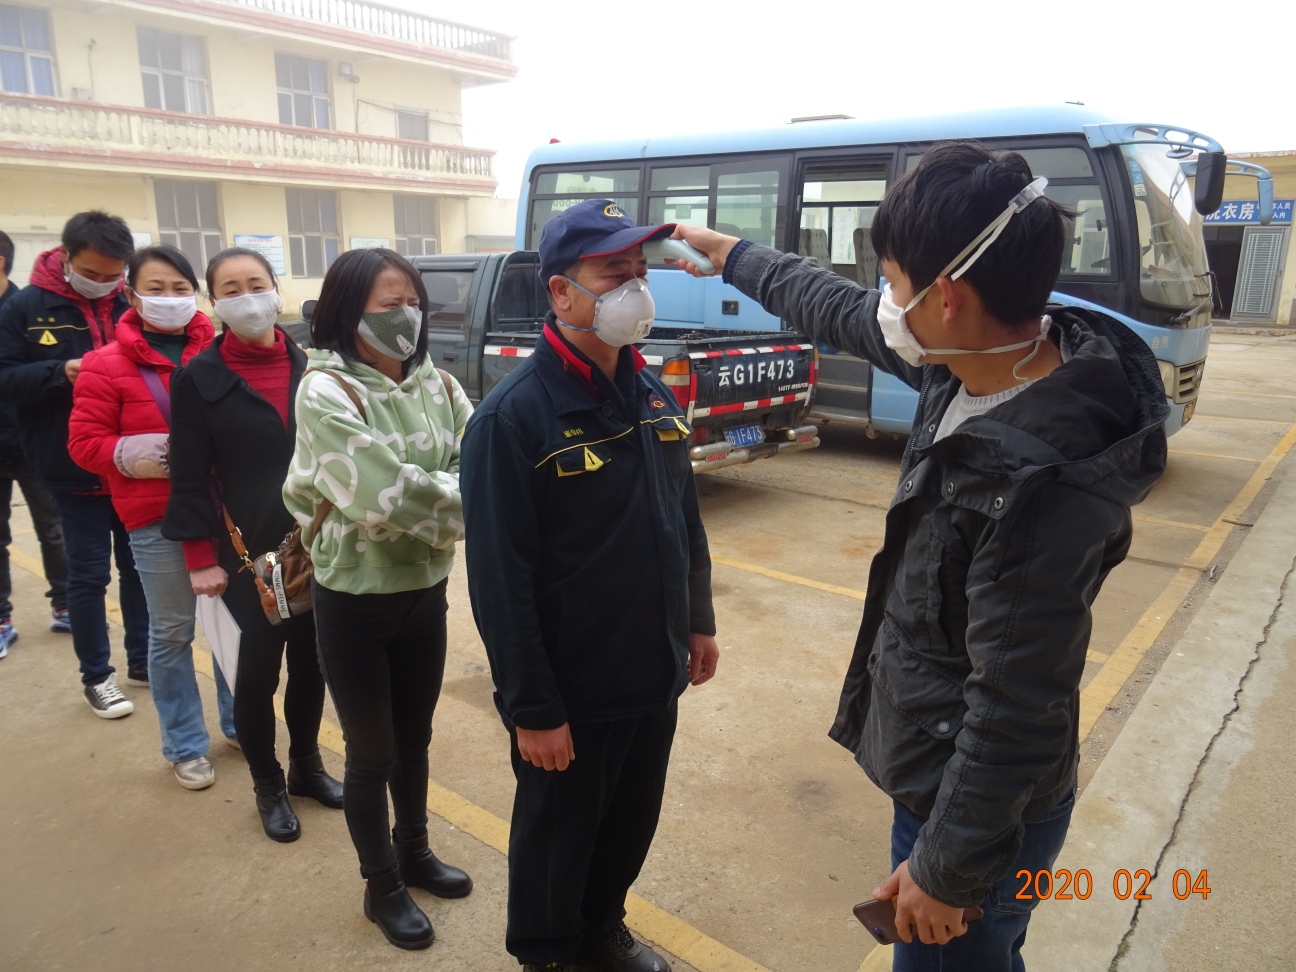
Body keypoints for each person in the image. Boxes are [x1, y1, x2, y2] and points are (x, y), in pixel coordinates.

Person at [667, 142, 1169, 972]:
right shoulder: (977, 357)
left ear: (948, 297)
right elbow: (835, 307)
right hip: (944, 775)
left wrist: (946, 870)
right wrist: (732, 256)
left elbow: (1017, 701)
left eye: (894, 282)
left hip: (971, 813)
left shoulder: (1040, 481)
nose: (884, 303)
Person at [460, 199, 721, 972]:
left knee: (627, 823)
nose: (634, 288)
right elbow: (500, 581)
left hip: (651, 668)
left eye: (639, 271)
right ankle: (548, 954)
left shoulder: (651, 391)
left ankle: (601, 928)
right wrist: (533, 707)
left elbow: (684, 515)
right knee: (559, 838)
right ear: (561, 292)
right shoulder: (512, 419)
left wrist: (697, 619)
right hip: (572, 688)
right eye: (614, 273)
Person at [283, 247, 473, 950]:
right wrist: (459, 498)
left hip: (426, 590)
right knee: (370, 753)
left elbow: (478, 460)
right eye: (389, 305)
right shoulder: (325, 391)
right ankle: (381, 884)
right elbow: (379, 494)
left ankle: (414, 850)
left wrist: (435, 493)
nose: (407, 316)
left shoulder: (441, 385)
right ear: (347, 312)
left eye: (413, 302)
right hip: (355, 599)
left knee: (415, 738)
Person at [162, 247, 342, 840]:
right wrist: (199, 559)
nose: (248, 298)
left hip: (317, 543)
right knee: (257, 676)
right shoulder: (197, 379)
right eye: (231, 289)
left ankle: (307, 768)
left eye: (256, 283)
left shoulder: (314, 366)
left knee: (312, 665)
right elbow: (190, 476)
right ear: (215, 302)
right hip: (245, 555)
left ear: (276, 289)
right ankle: (268, 785)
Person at [67, 244, 235, 790]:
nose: (169, 298)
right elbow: (84, 444)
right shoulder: (104, 364)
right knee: (172, 630)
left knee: (234, 624)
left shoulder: (223, 350)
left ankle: (239, 721)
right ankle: (185, 744)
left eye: (180, 289)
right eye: (155, 289)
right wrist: (158, 453)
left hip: (230, 513)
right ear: (131, 295)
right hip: (155, 518)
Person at [0, 212, 149, 717]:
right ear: (65, 256)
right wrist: (60, 371)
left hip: (134, 464)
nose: (104, 283)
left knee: (139, 569)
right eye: (92, 272)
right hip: (71, 465)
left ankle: (142, 659)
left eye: (114, 274)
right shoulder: (25, 307)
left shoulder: (134, 302)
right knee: (87, 575)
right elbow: (5, 379)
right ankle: (98, 676)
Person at [0, 230, 69, 658]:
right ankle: (1, 619)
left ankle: (65, 604)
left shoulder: (29, 309)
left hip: (31, 443)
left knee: (54, 529)